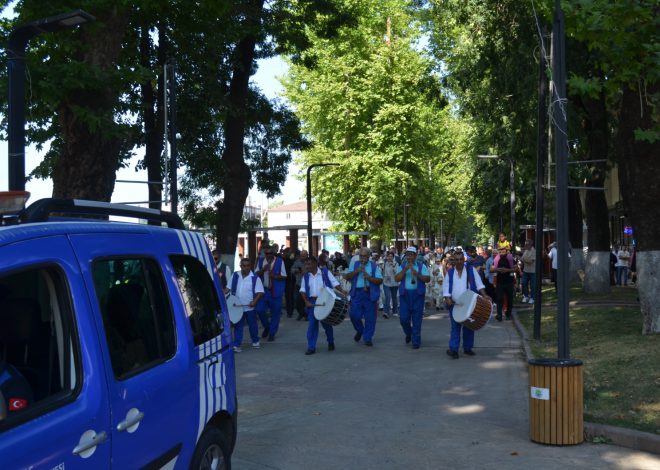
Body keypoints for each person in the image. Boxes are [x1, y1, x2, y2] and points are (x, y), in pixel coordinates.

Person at [443, 251, 488, 358]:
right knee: (455, 327)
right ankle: (454, 350)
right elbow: (445, 286)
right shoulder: (450, 272)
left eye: (460, 259)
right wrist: (447, 298)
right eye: (456, 260)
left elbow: (479, 284)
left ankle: (468, 348)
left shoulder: (471, 270)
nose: (459, 262)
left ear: (464, 260)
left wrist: (485, 295)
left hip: (470, 304)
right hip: (455, 305)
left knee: (469, 326)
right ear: (453, 260)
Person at [300, 256, 346, 355]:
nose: (307, 266)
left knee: (327, 324)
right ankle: (311, 347)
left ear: (315, 264)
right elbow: (303, 290)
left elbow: (334, 283)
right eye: (306, 264)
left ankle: (330, 341)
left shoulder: (325, 272)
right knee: (312, 325)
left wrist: (342, 292)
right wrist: (306, 301)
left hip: (325, 300)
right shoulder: (306, 276)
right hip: (312, 302)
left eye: (309, 264)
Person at [344, 247, 383, 346]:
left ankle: (367, 338)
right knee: (354, 315)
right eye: (361, 256)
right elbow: (347, 277)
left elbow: (379, 280)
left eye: (365, 256)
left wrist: (369, 277)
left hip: (370, 293)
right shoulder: (355, 264)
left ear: (369, 256)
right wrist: (356, 271)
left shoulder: (374, 266)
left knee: (370, 318)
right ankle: (360, 330)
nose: (362, 258)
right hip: (357, 293)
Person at [395, 246, 431, 349]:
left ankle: (416, 341)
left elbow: (427, 279)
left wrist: (417, 274)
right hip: (405, 296)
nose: (409, 257)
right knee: (403, 319)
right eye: (408, 255)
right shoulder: (402, 266)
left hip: (417, 296)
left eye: (411, 254)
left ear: (415, 256)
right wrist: (405, 269)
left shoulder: (421, 266)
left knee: (417, 320)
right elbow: (396, 278)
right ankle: (409, 333)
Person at [226, 258, 264, 352]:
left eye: (248, 266)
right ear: (240, 266)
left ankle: (255, 340)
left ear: (250, 266)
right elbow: (227, 289)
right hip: (237, 307)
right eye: (244, 266)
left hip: (250, 307)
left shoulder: (255, 278)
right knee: (238, 326)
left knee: (252, 325)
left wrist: (254, 301)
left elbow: (260, 292)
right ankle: (237, 345)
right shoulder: (235, 276)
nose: (246, 268)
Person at [255, 245, 287, 341]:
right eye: (267, 253)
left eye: (271, 253)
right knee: (259, 310)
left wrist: (275, 276)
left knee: (275, 313)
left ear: (274, 253)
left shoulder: (280, 261)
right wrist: (263, 270)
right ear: (264, 253)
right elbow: (255, 274)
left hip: (276, 291)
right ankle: (267, 326)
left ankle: (272, 333)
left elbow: (284, 276)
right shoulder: (261, 261)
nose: (269, 255)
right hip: (263, 291)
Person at [491, 245, 516, 321]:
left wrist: (507, 270)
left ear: (506, 251)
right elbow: (491, 269)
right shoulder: (496, 259)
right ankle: (499, 315)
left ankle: (508, 314)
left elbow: (515, 269)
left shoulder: (510, 258)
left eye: (503, 251)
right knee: (499, 299)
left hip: (509, 282)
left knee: (509, 299)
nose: (502, 252)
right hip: (500, 282)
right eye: (500, 251)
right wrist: (499, 269)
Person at [381, 252, 400, 318]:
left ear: (393, 257)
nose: (390, 258)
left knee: (394, 297)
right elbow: (382, 272)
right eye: (388, 256)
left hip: (394, 283)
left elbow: (397, 272)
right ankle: (386, 312)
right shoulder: (384, 263)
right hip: (386, 282)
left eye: (391, 256)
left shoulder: (396, 264)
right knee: (387, 297)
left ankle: (395, 311)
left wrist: (393, 266)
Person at [520, 239, 536, 304]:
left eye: (526, 244)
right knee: (523, 283)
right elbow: (522, 259)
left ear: (530, 244)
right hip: (525, 270)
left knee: (533, 285)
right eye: (525, 244)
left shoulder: (534, 251)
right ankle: (526, 296)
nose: (525, 245)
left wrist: (521, 259)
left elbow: (530, 261)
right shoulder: (526, 251)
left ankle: (532, 298)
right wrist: (522, 259)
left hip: (533, 271)